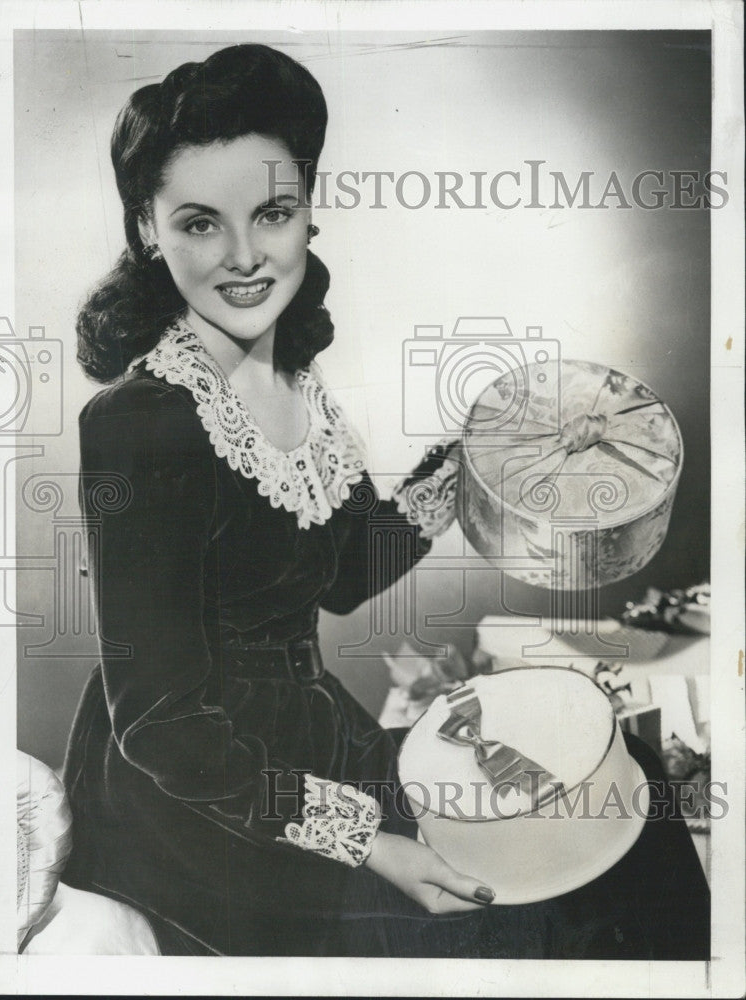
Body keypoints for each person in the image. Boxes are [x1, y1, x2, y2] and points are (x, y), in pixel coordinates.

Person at [62, 43, 710, 959]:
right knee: (524, 908)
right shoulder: (140, 423)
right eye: (201, 223)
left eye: (273, 213)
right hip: (200, 810)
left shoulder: (284, 364)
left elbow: (334, 576)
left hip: (306, 730)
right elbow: (163, 725)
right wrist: (369, 840)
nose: (245, 258)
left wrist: (480, 455)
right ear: (146, 228)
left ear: (306, 213)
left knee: (627, 796)